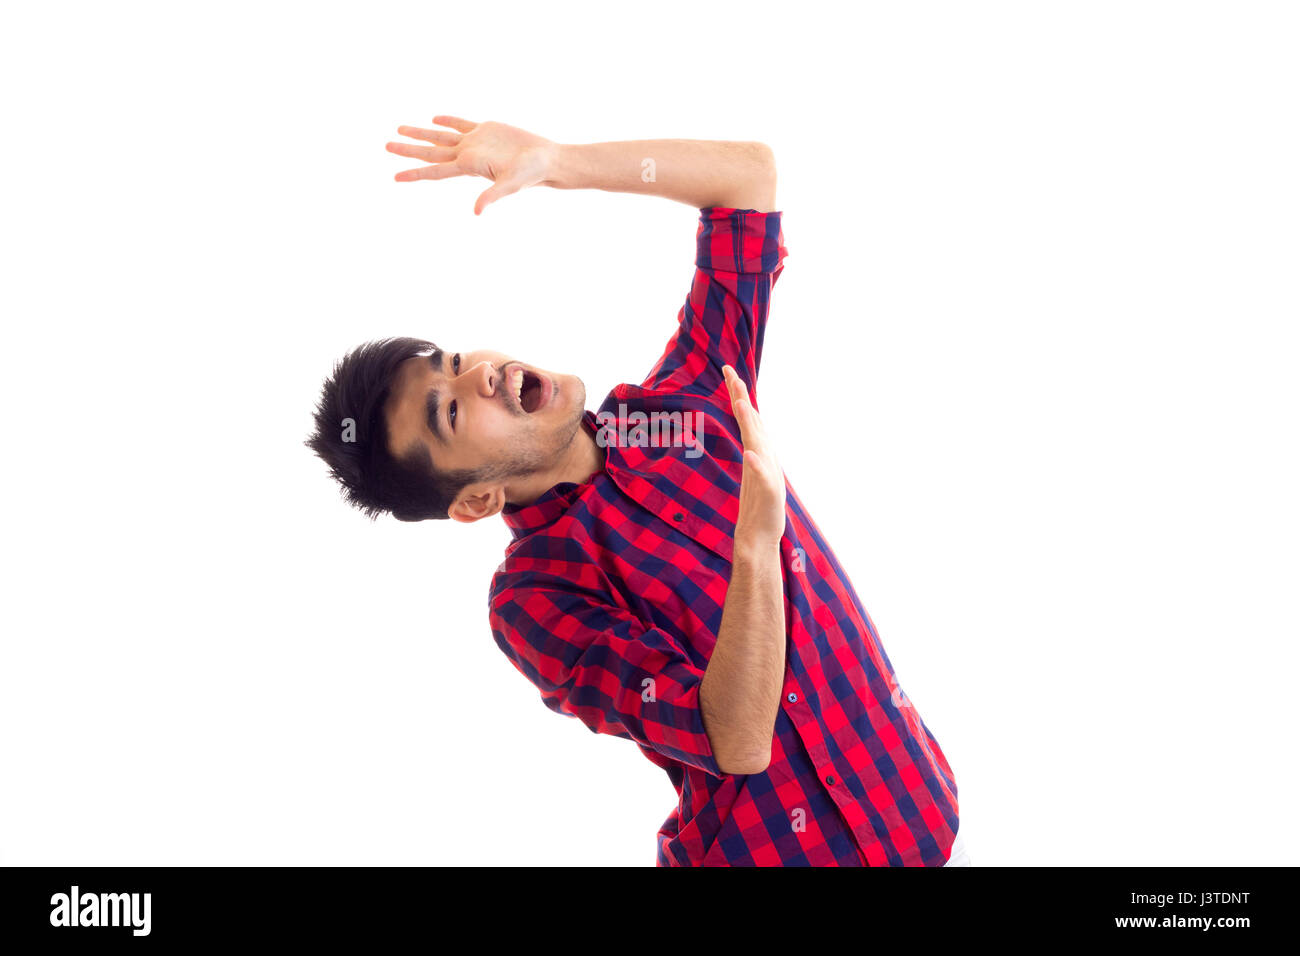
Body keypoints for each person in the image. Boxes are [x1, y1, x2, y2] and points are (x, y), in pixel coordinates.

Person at [305, 115, 962, 866]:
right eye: (453, 411)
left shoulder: (686, 407)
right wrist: (755, 547)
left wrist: (556, 161)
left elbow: (748, 180)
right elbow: (735, 739)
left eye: (454, 358)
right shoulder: (533, 597)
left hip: (927, 816)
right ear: (475, 501)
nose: (479, 373)